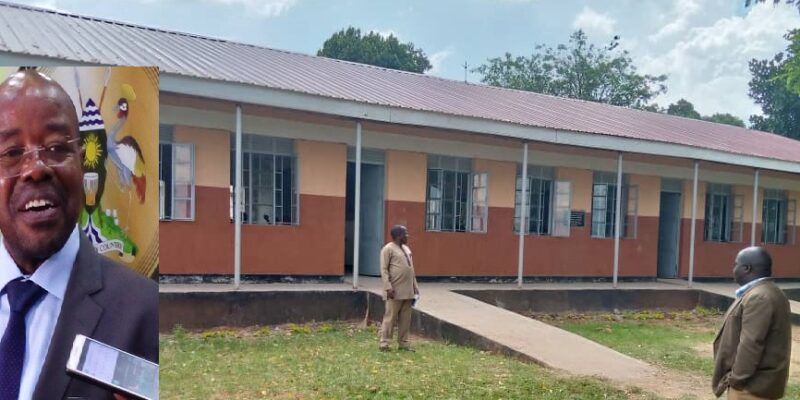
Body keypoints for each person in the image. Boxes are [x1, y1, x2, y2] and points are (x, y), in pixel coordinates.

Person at [0, 69, 158, 400]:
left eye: (57, 147)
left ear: (83, 163)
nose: (36, 168)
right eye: (12, 153)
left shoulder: (146, 314)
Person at [712, 246, 791, 399]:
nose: (733, 269)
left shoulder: (759, 297)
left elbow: (751, 343)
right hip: (757, 386)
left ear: (747, 268)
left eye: (736, 264)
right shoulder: (769, 292)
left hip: (750, 389)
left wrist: (736, 379)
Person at [379, 225, 419, 351]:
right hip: (394, 291)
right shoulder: (388, 249)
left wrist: (415, 286)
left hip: (408, 291)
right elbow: (384, 269)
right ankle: (384, 343)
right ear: (398, 236)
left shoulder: (406, 249)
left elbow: (411, 269)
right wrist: (388, 287)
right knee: (390, 318)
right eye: (405, 234)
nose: (407, 236)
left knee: (405, 320)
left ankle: (403, 343)